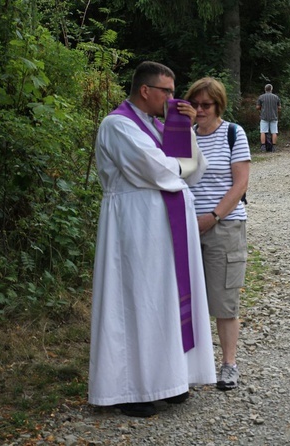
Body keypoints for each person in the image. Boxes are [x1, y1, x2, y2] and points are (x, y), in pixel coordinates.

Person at [89, 61, 216, 418]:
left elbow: (192, 168)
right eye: (168, 92)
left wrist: (184, 130)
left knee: (165, 299)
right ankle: (129, 388)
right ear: (146, 91)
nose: (173, 99)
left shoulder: (154, 124)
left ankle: (170, 379)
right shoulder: (117, 125)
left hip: (161, 225)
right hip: (133, 225)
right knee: (136, 299)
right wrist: (179, 165)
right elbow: (157, 169)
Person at [184, 77, 251, 392]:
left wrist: (211, 218)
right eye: (195, 104)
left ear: (218, 105)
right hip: (185, 227)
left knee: (224, 300)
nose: (200, 110)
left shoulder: (233, 134)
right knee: (186, 300)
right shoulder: (184, 136)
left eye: (206, 105)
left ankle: (228, 365)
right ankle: (188, 366)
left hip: (224, 226)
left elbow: (240, 184)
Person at [256, 83, 281, 152]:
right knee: (274, 132)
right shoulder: (276, 97)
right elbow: (279, 107)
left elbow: (257, 107)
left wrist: (261, 108)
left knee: (263, 132)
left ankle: (263, 146)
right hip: (274, 116)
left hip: (264, 116)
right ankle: (274, 147)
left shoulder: (261, 97)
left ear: (265, 89)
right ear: (271, 89)